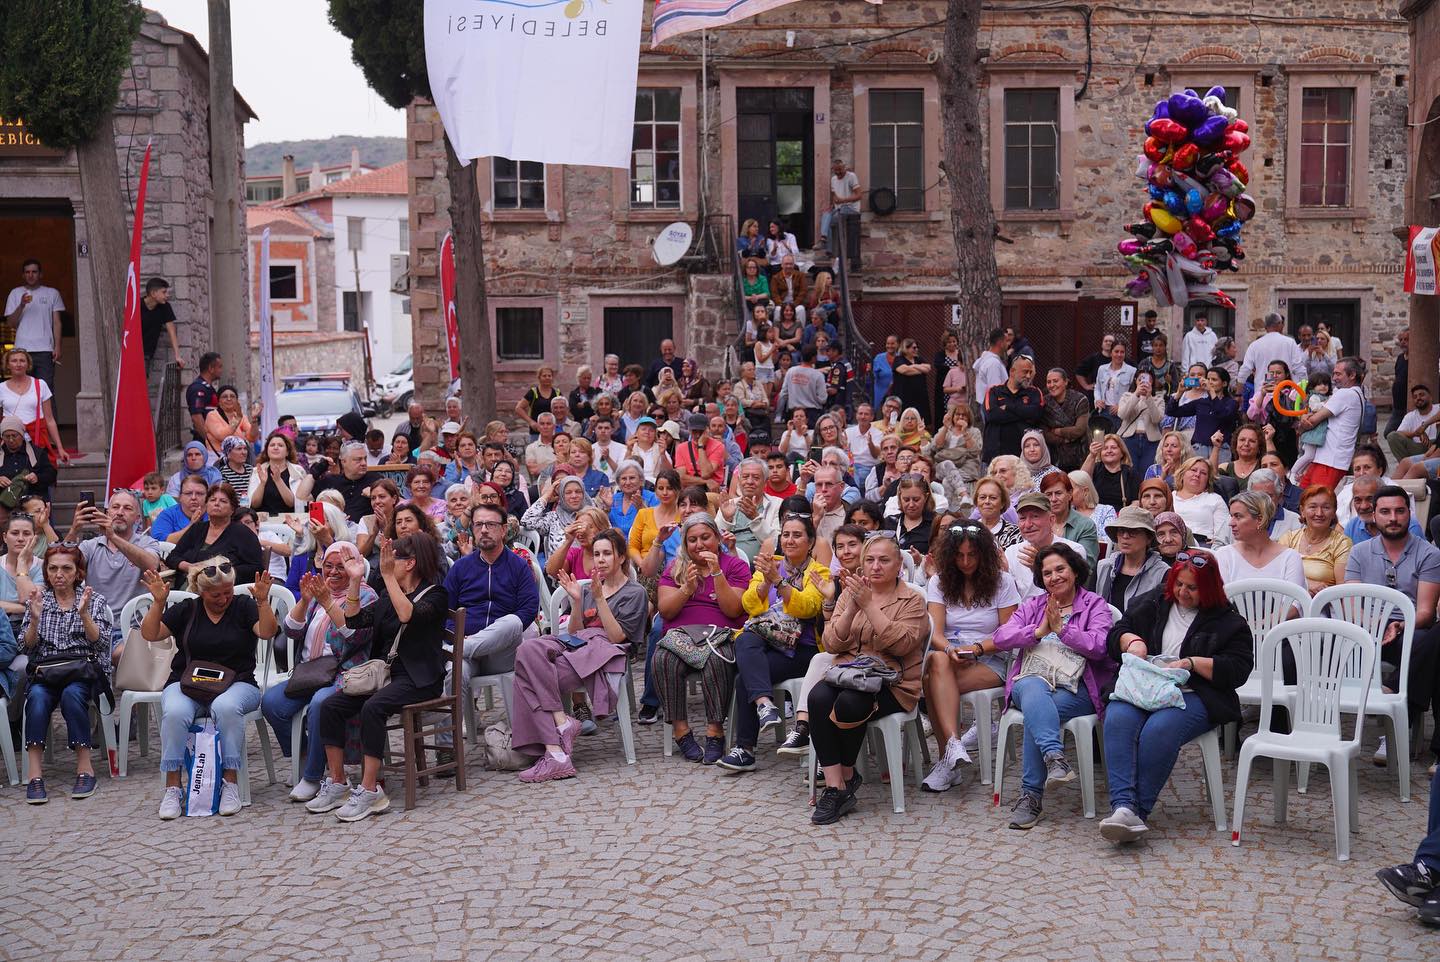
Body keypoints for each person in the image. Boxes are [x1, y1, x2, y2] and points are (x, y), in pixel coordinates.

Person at [1100, 552, 1253, 842]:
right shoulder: (1155, 602)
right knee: (1118, 718)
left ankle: (1136, 811)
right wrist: (1131, 641)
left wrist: (1192, 663)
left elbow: (1238, 669)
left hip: (1195, 692)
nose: (1183, 592)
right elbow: (1118, 631)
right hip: (1145, 685)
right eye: (1179, 584)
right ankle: (1122, 806)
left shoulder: (1228, 622)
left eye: (1192, 588)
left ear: (1208, 589)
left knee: (1160, 729)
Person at [305, 534, 449, 822]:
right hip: (388, 675)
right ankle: (337, 782)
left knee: (373, 708)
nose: (386, 563)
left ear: (409, 563)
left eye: (391, 558)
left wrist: (387, 578)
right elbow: (354, 621)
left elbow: (408, 615)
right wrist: (355, 581)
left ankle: (371, 790)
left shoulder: (436, 594)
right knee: (331, 707)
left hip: (421, 679)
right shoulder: (387, 595)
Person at [990, 543, 1115, 829]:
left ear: (1074, 571)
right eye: (1047, 573)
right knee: (1034, 689)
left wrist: (1063, 630)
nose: (1054, 577)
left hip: (1077, 687)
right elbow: (1000, 637)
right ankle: (1053, 757)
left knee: (1039, 713)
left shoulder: (1094, 604)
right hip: (1031, 680)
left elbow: (1100, 647)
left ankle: (1031, 796)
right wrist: (1037, 631)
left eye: (1060, 569)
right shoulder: (1034, 605)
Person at [807, 533, 928, 824]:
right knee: (818, 698)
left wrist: (870, 606)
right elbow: (832, 644)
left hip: (893, 681)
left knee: (850, 703)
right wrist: (851, 606)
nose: (876, 567)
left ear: (899, 564)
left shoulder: (912, 600)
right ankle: (838, 784)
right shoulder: (851, 593)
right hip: (849, 672)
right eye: (870, 560)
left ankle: (846, 778)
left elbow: (902, 645)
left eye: (884, 560)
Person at [143, 558, 275, 819]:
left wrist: (262, 601)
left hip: (239, 683)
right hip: (188, 682)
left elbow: (267, 632)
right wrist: (158, 602)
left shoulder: (243, 606)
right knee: (176, 712)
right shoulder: (188, 609)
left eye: (228, 592)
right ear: (201, 591)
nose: (224, 599)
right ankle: (172, 787)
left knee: (226, 707)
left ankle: (230, 783)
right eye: (216, 594)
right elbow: (150, 634)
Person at [511, 528, 642, 782]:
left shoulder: (634, 592)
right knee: (527, 649)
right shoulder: (592, 588)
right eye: (596, 554)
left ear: (622, 558)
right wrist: (577, 603)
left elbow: (617, 637)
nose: (600, 559)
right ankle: (561, 723)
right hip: (577, 645)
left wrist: (599, 599)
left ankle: (554, 753)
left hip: (603, 653)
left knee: (525, 678)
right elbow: (574, 632)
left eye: (607, 554)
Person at [261, 542, 377, 803]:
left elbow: (354, 636)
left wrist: (327, 601)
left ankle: (313, 776)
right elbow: (291, 631)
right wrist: (304, 600)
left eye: (341, 566)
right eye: (328, 566)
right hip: (310, 673)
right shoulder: (317, 593)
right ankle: (306, 755)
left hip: (344, 673)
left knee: (320, 705)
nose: (334, 572)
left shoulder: (367, 596)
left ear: (355, 567)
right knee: (271, 703)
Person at [715, 515, 829, 773]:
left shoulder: (818, 573)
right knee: (745, 637)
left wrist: (779, 582)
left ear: (810, 542)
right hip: (769, 641)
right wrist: (766, 580)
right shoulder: (770, 565)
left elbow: (808, 608)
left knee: (744, 678)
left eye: (797, 535)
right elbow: (749, 606)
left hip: (804, 649)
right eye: (786, 534)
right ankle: (765, 706)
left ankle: (746, 749)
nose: (790, 540)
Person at [1344, 486, 1440, 770]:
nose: (1393, 518)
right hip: (1367, 630)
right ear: (1373, 515)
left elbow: (1425, 611)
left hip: (1410, 627)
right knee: (1434, 657)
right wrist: (1374, 625)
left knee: (1429, 640)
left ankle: (1394, 702)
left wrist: (1400, 624)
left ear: (1409, 514)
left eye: (1400, 511)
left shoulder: (1428, 554)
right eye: (1385, 512)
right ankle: (1408, 730)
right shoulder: (1360, 552)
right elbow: (1352, 601)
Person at [921, 521, 1020, 792]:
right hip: (951, 656)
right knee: (938, 660)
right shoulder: (939, 581)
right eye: (959, 555)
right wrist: (951, 650)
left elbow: (1008, 634)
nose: (965, 562)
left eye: (972, 555)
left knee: (931, 682)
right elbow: (936, 633)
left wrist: (977, 649)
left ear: (984, 554)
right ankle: (954, 745)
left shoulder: (1003, 582)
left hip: (991, 657)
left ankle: (947, 761)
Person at [18, 545, 116, 804]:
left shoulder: (94, 600)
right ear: (46, 573)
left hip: (81, 672)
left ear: (78, 572)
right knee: (37, 698)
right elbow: (26, 646)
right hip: (47, 672)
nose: (59, 574)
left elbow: (101, 644)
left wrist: (84, 615)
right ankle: (35, 774)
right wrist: (35, 620)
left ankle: (85, 768)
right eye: (53, 568)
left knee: (73, 695)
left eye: (66, 568)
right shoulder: (39, 599)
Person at [651, 513, 751, 764]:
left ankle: (715, 731)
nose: (700, 545)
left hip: (720, 635)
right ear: (685, 545)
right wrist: (686, 588)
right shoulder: (675, 568)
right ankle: (681, 730)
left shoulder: (735, 566)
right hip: (681, 636)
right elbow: (666, 611)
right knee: (663, 659)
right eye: (692, 540)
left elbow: (734, 610)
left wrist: (717, 574)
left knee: (720, 661)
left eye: (705, 537)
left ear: (717, 538)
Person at [72, 490, 161, 649]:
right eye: (115, 507)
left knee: (122, 655)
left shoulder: (148, 543)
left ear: (137, 518)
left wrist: (113, 536)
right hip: (93, 626)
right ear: (107, 512)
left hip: (132, 628)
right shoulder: (90, 546)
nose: (120, 512)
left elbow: (151, 565)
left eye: (127, 508)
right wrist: (74, 530)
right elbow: (64, 567)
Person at [169, 482, 263, 587]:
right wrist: (189, 567)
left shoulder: (243, 534)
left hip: (223, 592)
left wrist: (220, 571)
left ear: (232, 509)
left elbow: (257, 568)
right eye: (212, 500)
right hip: (187, 586)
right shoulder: (197, 529)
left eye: (223, 501)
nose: (216, 503)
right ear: (206, 505)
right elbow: (173, 557)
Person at [1296, 357, 1366, 491]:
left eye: (1338, 374)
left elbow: (1312, 421)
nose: (1333, 378)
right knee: (1303, 498)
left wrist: (1302, 421)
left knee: (1316, 500)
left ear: (1352, 375)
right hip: (1328, 458)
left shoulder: (1345, 394)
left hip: (1331, 460)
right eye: (1333, 373)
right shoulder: (1357, 394)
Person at [1213, 491, 1307, 590]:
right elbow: (1221, 601)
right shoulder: (1224, 555)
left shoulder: (1289, 558)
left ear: (1260, 520)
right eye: (1231, 516)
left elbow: (1293, 602)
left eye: (1238, 516)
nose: (1231, 523)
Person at [1006, 493, 1087, 600]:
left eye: (1035, 516)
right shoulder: (1012, 552)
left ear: (1051, 520)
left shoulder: (1073, 550)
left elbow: (1069, 596)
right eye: (1022, 518)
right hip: (1023, 614)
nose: (1028, 524)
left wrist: (1039, 568)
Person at [1278, 485, 1353, 594]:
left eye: (1326, 507)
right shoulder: (1288, 539)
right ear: (1302, 511)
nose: (1319, 513)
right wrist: (1307, 584)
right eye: (1313, 507)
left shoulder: (1342, 543)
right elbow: (1276, 575)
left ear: (1334, 513)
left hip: (1323, 606)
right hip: (1286, 603)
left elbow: (1343, 590)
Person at [3, 259, 63, 388]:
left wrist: (57, 346)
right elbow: (11, 323)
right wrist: (21, 305)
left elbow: (57, 322)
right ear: (23, 275)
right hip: (21, 350)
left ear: (40, 274)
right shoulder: (15, 293)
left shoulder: (52, 293)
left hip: (45, 350)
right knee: (23, 389)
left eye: (34, 272)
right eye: (27, 272)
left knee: (46, 391)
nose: (30, 275)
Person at [1096, 506, 1170, 609]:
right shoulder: (1103, 567)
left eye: (1133, 531)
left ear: (1148, 538)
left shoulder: (1163, 573)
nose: (1125, 536)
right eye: (1121, 530)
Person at [0, 349, 66, 465]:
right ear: (7, 365)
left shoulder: (40, 384)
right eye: (14, 361)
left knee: (40, 476)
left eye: (22, 361)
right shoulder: (1, 388)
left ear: (28, 364)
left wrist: (60, 448)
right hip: (10, 442)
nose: (18, 364)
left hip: (37, 439)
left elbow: (49, 420)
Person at [1167, 367, 1238, 461]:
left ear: (1224, 383)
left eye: (1214, 380)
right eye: (1208, 379)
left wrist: (1211, 392)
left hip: (1220, 449)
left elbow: (1223, 414)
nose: (1210, 382)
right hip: (1199, 448)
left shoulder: (1231, 403)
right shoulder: (1201, 402)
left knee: (1219, 475)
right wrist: (1180, 392)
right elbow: (1172, 411)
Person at [983, 354, 1044, 461]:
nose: (1029, 376)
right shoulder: (994, 391)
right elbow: (992, 415)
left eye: (1031, 372)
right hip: (996, 456)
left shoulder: (1034, 392)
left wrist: (1008, 407)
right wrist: (1024, 412)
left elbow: (1036, 414)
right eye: (1025, 372)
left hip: (1025, 456)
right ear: (1012, 371)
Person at [717, 457, 779, 561]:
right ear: (739, 480)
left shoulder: (777, 504)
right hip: (728, 565)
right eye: (745, 477)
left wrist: (755, 518)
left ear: (765, 482)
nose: (750, 482)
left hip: (762, 567)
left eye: (756, 477)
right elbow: (714, 539)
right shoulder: (729, 505)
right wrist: (726, 519)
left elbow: (777, 542)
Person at [298, 442, 374, 523]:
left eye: (365, 458)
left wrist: (374, 495)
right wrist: (316, 472)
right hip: (333, 531)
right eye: (358, 459)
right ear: (344, 461)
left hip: (364, 531)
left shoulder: (375, 480)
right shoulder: (331, 481)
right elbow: (301, 496)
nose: (364, 463)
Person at [1040, 471, 1099, 567]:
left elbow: (1086, 565)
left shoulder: (1085, 525)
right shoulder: (1038, 523)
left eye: (1058, 493)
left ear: (1070, 494)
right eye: (1049, 494)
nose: (1054, 499)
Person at [1237, 311, 1308, 387]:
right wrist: (1304, 389)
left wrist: (1238, 393)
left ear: (1265, 326)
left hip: (1262, 392)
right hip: (1286, 392)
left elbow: (1245, 370)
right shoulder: (1290, 343)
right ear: (1279, 324)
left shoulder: (1255, 345)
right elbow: (1299, 369)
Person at [1041, 368, 1092, 471]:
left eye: (1055, 381)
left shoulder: (1080, 399)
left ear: (1065, 382)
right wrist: (1066, 439)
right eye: (1049, 382)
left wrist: (1057, 431)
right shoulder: (1044, 402)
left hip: (1080, 455)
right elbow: (1044, 434)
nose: (1051, 385)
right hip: (1055, 457)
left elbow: (1079, 429)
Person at [1172, 457, 1230, 546]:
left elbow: (1223, 532)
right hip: (1172, 542)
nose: (1197, 474)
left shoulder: (1215, 499)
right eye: (1193, 470)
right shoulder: (1169, 496)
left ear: (1208, 480)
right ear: (1182, 473)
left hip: (1202, 545)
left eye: (1203, 473)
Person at [0, 416, 56, 505]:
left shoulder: (37, 453)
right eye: (7, 436)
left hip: (33, 504)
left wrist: (37, 478)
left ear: (22, 435)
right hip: (4, 505)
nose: (11, 440)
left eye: (14, 436)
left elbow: (51, 475)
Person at [1083, 433, 1138, 511]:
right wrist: (1092, 455)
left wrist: (1124, 515)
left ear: (1122, 453)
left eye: (1113, 448)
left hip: (1121, 517)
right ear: (1100, 453)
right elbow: (1082, 480)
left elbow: (1136, 501)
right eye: (1105, 448)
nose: (1109, 451)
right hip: (1096, 515)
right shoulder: (1095, 468)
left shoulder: (1130, 473)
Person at [1390, 383, 1440, 465]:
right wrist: (1416, 433)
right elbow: (1399, 433)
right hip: (1418, 447)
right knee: (1392, 436)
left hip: (1437, 444)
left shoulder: (1438, 408)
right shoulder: (1410, 416)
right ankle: (1408, 466)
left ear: (1430, 397)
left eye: (1421, 395)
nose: (1418, 398)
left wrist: (1425, 425)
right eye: (1415, 397)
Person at [204, 385, 260, 458]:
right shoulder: (212, 415)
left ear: (237, 401)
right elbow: (222, 436)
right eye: (225, 396)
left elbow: (252, 438)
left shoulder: (241, 417)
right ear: (218, 401)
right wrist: (237, 419)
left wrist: (254, 420)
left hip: (238, 459)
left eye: (232, 396)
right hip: (217, 460)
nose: (229, 399)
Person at [818, 157, 861, 252]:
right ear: (833, 169)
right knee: (826, 215)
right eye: (835, 170)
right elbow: (834, 195)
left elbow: (859, 195)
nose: (838, 172)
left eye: (840, 169)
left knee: (830, 219)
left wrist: (843, 200)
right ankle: (825, 242)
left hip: (850, 208)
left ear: (844, 167)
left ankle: (825, 244)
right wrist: (832, 205)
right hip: (838, 208)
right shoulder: (833, 179)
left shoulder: (851, 176)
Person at [1094, 340, 1136, 427]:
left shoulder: (1132, 371)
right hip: (1104, 410)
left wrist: (1121, 406)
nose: (1119, 355)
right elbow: (1097, 388)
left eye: (1122, 352)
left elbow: (1134, 393)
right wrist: (1097, 400)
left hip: (1122, 413)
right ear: (1111, 352)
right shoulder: (1102, 369)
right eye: (1116, 351)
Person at [971, 477, 1022, 549]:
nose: (987, 501)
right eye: (982, 497)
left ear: (1002, 503)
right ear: (976, 501)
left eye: (993, 498)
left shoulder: (1014, 533)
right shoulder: (967, 530)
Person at [972, 328, 1009, 422]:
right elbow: (995, 388)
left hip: (986, 405)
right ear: (1000, 343)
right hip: (993, 408)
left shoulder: (987, 360)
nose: (1008, 344)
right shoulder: (993, 363)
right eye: (1006, 341)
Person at [933, 332, 965, 430]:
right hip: (945, 387)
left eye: (954, 341)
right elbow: (938, 365)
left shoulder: (961, 353)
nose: (952, 344)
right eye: (949, 342)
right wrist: (953, 368)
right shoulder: (940, 355)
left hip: (961, 390)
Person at [1136, 332, 1180, 396]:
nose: (1158, 348)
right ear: (1152, 347)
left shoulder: (1170, 365)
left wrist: (1170, 382)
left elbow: (1176, 386)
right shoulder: (1145, 363)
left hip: (1165, 398)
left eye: (1161, 345)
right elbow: (1137, 380)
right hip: (1146, 396)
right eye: (1156, 345)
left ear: (1165, 347)